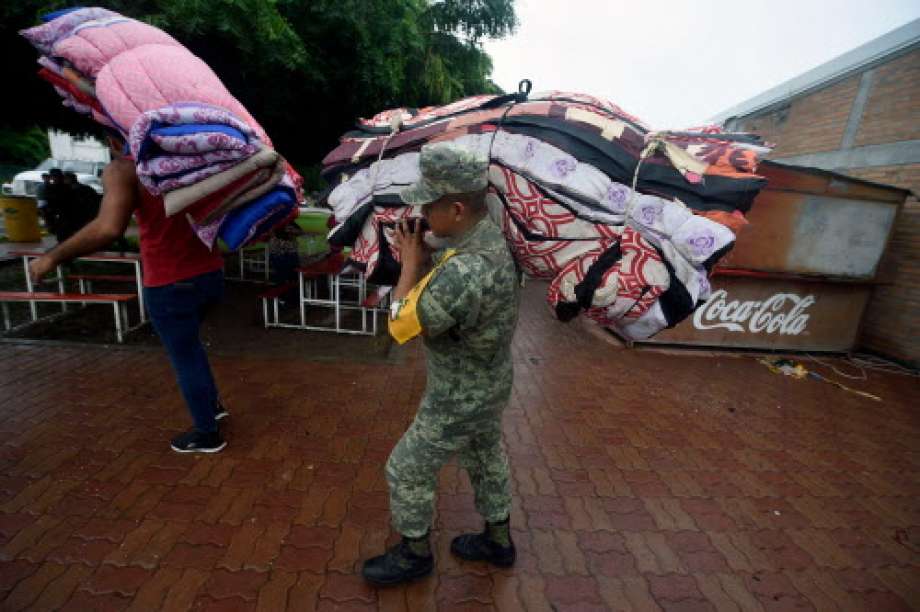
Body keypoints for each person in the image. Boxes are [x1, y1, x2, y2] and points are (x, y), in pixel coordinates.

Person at [362, 142, 521, 586]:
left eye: (427, 206)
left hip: (459, 394)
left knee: (406, 467)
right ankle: (498, 539)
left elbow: (398, 327)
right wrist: (428, 248)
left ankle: (414, 555)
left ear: (455, 208)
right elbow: (451, 276)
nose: (422, 215)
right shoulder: (490, 240)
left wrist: (409, 265)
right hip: (491, 381)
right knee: (485, 454)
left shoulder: (466, 270)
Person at [29, 135, 230, 453]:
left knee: (186, 355)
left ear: (113, 134)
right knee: (191, 347)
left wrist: (52, 257)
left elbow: (108, 228)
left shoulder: (126, 168)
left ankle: (207, 433)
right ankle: (212, 406)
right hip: (210, 274)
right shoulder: (194, 159)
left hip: (169, 281)